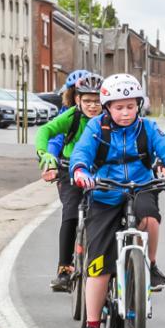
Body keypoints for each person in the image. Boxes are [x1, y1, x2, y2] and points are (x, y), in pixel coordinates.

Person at [69, 74, 165, 328]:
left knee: (150, 219)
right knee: (98, 265)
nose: (125, 113)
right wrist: (81, 171)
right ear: (107, 107)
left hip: (140, 188)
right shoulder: (96, 128)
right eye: (118, 107)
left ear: (139, 105)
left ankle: (150, 265)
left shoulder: (148, 128)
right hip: (104, 193)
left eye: (130, 106)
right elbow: (82, 153)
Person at [35, 73, 104, 291]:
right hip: (69, 171)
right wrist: (45, 154)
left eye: (97, 101)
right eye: (87, 101)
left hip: (101, 171)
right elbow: (45, 131)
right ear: (77, 99)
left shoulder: (110, 118)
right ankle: (64, 268)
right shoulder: (72, 116)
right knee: (71, 212)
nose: (93, 106)